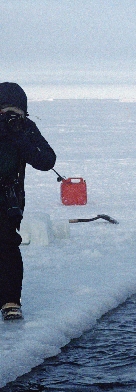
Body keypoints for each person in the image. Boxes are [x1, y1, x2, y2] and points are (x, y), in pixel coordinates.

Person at [0, 82, 56, 321]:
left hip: (8, 198)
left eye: (14, 113)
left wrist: (19, 136)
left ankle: (11, 301)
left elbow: (46, 161)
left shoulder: (25, 129)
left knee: (7, 245)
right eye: (3, 112)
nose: (8, 117)